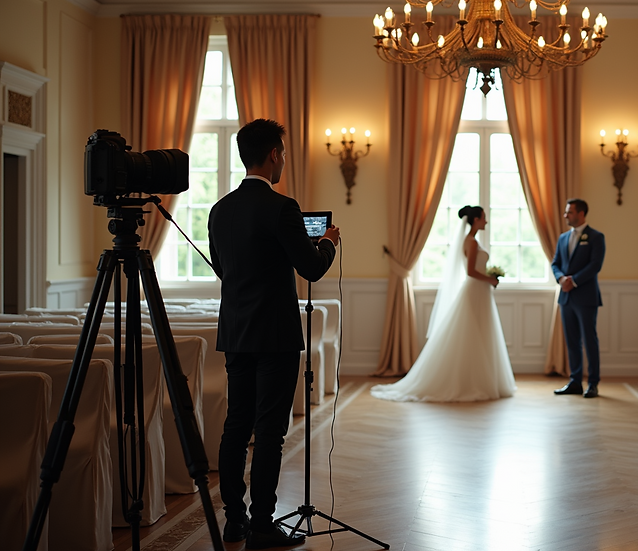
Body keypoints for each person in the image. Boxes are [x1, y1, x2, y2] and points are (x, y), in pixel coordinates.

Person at [208, 118, 340, 549]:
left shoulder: (219, 209)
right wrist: (329, 242)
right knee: (269, 431)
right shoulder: (283, 207)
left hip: (236, 332)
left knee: (236, 426)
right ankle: (263, 524)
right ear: (273, 155)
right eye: (282, 153)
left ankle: (234, 520)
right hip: (276, 336)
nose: (283, 160)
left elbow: (222, 269)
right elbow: (311, 268)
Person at [371, 205, 517, 402]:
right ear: (475, 220)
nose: (486, 221)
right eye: (484, 217)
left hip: (480, 292)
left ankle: (479, 380)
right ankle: (469, 382)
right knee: (471, 333)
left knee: (480, 335)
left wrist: (489, 278)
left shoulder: (471, 241)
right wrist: (490, 279)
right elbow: (471, 272)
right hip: (475, 291)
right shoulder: (471, 242)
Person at [551, 198, 606, 398]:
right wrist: (561, 279)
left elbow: (595, 265)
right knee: (572, 341)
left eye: (570, 212)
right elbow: (555, 263)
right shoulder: (563, 238)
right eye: (566, 212)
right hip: (566, 298)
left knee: (589, 340)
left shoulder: (596, 237)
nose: (565, 215)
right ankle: (575, 381)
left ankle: (593, 383)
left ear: (581, 214)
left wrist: (573, 281)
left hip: (586, 297)